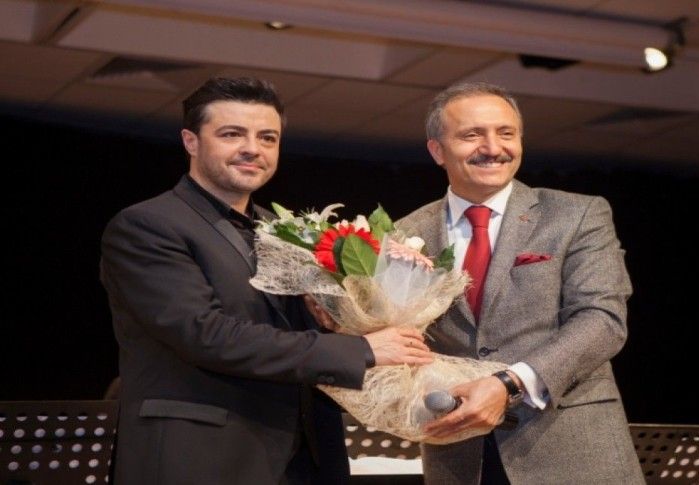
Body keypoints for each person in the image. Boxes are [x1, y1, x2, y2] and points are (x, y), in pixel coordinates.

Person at [100, 77, 432, 485]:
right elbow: (206, 334)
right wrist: (360, 349)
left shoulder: (282, 229)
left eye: (267, 138)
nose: (252, 149)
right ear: (191, 142)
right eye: (231, 134)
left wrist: (388, 286)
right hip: (200, 457)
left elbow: (306, 329)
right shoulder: (148, 226)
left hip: (299, 458)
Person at [396, 81, 644, 484]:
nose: (493, 148)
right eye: (472, 135)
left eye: (506, 133)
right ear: (437, 150)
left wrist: (509, 384)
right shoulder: (405, 234)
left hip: (571, 451)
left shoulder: (577, 214)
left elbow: (602, 320)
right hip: (459, 455)